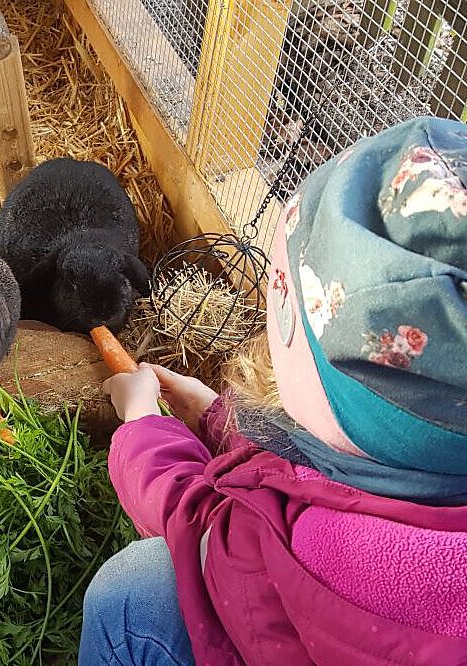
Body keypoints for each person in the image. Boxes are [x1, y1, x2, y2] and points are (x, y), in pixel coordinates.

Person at [80, 116, 467, 665]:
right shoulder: (420, 458)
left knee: (132, 594)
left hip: (261, 628)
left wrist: (143, 424)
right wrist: (218, 417)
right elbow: (315, 464)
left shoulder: (309, 547)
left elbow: (199, 524)